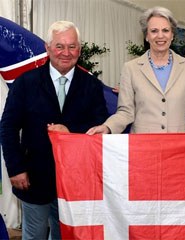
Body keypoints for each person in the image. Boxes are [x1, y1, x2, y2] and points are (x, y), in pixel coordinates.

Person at [0, 21, 109, 239]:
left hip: (75, 180)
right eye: (60, 46)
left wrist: (71, 131)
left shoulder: (92, 86)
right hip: (33, 178)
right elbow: (8, 127)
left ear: (79, 49)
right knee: (34, 235)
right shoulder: (25, 83)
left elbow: (101, 125)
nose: (66, 53)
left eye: (72, 46)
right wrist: (16, 168)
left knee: (65, 235)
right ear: (48, 48)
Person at [87, 6, 185, 135]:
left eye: (165, 30)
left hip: (178, 147)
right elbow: (125, 112)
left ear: (172, 35)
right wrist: (107, 127)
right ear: (146, 36)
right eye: (154, 31)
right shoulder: (130, 68)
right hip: (143, 147)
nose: (160, 36)